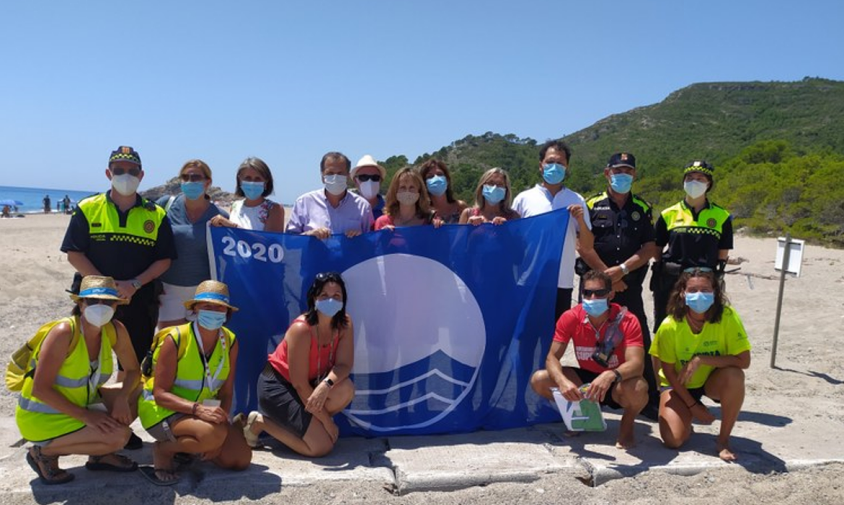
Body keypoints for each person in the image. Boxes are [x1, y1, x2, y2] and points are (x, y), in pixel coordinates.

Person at [60, 146, 177, 449]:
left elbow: (164, 259)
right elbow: (74, 253)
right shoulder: (88, 207)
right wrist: (105, 287)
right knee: (84, 362)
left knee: (132, 365)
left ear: (142, 175)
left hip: (139, 300)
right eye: (120, 170)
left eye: (132, 170)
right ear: (108, 174)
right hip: (91, 301)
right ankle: (81, 421)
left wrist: (135, 284)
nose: (126, 175)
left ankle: (121, 424)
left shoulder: (156, 213)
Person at [16, 276, 141, 485]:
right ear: (80, 304)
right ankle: (42, 451)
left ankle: (100, 454)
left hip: (80, 406)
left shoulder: (115, 329)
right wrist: (88, 417)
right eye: (92, 301)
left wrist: (122, 398)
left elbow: (134, 371)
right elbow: (40, 389)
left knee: (139, 393)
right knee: (119, 437)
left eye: (108, 302)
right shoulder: (65, 332)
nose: (100, 306)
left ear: (116, 305)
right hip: (43, 416)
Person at [137, 281, 251, 485]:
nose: (214, 311)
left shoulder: (230, 340)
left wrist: (222, 423)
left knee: (240, 459)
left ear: (227, 311)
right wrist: (199, 413)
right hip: (163, 410)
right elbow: (160, 393)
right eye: (207, 306)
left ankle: (192, 446)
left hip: (204, 413)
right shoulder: (176, 338)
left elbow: (226, 392)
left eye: (219, 307)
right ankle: (163, 450)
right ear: (195, 308)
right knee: (210, 435)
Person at [580, 153, 659, 417]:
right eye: (617, 170)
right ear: (607, 173)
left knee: (639, 339)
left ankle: (647, 399)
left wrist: (623, 271)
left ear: (634, 175)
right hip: (596, 288)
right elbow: (584, 246)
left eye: (627, 170)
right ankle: (595, 395)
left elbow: (650, 247)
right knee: (593, 339)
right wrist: (608, 277)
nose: (622, 175)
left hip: (630, 286)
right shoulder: (591, 204)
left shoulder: (642, 208)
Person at [241, 272, 355, 457]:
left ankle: (308, 427)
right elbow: (299, 384)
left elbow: (344, 365)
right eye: (324, 296)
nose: (331, 300)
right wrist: (327, 422)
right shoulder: (301, 329)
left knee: (346, 389)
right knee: (321, 448)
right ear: (314, 299)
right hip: (278, 387)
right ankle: (261, 422)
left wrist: (326, 385)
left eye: (336, 296)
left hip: (311, 385)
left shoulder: (345, 323)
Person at [530, 270, 648, 449]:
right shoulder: (571, 317)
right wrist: (563, 382)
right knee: (540, 379)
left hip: (618, 382)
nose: (592, 297)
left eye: (599, 293)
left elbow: (637, 364)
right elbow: (552, 357)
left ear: (611, 294)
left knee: (639, 388)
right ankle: (583, 415)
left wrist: (610, 375)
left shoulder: (627, 320)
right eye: (587, 293)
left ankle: (627, 424)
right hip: (587, 381)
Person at [649, 268, 751, 462]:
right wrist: (693, 406)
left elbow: (744, 361)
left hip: (711, 380)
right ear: (682, 293)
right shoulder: (670, 325)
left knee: (736, 376)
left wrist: (701, 359)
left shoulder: (727, 317)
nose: (699, 295)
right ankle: (685, 417)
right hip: (678, 385)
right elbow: (668, 372)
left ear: (715, 292)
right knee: (673, 440)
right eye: (693, 290)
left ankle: (723, 440)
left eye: (705, 290)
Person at [512, 140, 596, 320]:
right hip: (529, 281)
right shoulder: (523, 199)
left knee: (555, 340)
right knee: (527, 338)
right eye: (550, 162)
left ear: (567, 167)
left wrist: (580, 220)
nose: (554, 167)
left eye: (560, 163)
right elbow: (512, 241)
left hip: (561, 282)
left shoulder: (576, 199)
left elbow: (588, 245)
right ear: (541, 165)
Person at [651, 160, 733, 333]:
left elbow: (722, 253)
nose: (694, 182)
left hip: (704, 282)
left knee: (704, 325)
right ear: (683, 182)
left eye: (700, 178)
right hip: (671, 281)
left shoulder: (722, 216)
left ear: (709, 183)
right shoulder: (668, 214)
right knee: (666, 326)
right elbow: (657, 248)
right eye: (689, 178)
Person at [156, 160, 229, 329]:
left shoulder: (220, 215)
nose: (189, 181)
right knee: (170, 345)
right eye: (185, 177)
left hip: (204, 294)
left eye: (195, 177)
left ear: (208, 182)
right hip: (168, 291)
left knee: (198, 349)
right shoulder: (166, 205)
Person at [286, 152, 374, 238]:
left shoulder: (363, 206)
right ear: (322, 176)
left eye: (340, 173)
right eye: (330, 173)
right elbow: (289, 241)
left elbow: (372, 241)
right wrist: (308, 235)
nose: (335, 177)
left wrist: (361, 237)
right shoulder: (303, 203)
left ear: (348, 176)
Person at [214, 157, 285, 232]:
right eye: (248, 178)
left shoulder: (274, 209)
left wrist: (232, 226)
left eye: (258, 179)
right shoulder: (235, 206)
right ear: (240, 180)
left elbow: (269, 241)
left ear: (266, 182)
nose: (252, 182)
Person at [374, 167, 440, 230]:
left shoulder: (430, 221)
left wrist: (439, 227)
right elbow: (376, 241)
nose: (407, 191)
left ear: (419, 191)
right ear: (395, 191)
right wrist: (382, 236)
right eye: (403, 187)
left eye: (412, 187)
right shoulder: (382, 222)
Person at [418, 159, 467, 224]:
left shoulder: (460, 207)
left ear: (447, 180)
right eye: (430, 176)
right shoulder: (424, 213)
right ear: (424, 184)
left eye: (439, 174)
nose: (436, 178)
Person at [351, 154, 386, 220]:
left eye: (375, 177)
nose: (369, 181)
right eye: (363, 177)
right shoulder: (348, 210)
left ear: (380, 181)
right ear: (355, 181)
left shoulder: (391, 210)